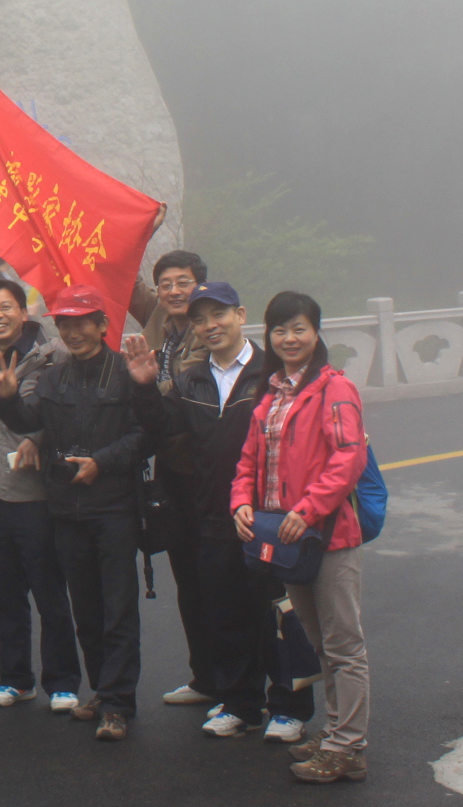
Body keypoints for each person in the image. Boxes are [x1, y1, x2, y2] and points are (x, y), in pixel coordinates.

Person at [130, 282, 313, 741]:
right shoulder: (191, 379)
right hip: (212, 514)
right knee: (225, 615)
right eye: (199, 319)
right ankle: (239, 703)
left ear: (240, 315)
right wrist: (147, 390)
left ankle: (288, 707)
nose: (210, 326)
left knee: (276, 613)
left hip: (269, 518)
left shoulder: (273, 372)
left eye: (219, 315)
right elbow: (165, 430)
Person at [0, 284, 159, 742]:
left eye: (82, 322)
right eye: (64, 323)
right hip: (66, 510)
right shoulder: (53, 376)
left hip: (114, 509)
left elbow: (147, 435)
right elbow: (32, 423)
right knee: (85, 609)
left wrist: (101, 462)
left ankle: (119, 704)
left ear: (103, 326)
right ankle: (103, 691)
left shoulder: (125, 374)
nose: (73, 331)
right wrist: (7, 399)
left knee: (118, 610)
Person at [232, 291, 370, 784]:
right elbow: (248, 460)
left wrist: (308, 510)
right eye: (280, 330)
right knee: (317, 642)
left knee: (343, 645)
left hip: (328, 537)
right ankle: (338, 736)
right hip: (287, 541)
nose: (289, 338)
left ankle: (347, 743)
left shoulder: (335, 389)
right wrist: (240, 503)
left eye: (300, 329)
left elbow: (347, 457)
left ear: (317, 333)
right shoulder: (270, 394)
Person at [0, 277, 81, 712]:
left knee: (48, 590)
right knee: (3, 593)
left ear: (23, 312)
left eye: (6, 307)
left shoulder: (54, 357)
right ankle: (15, 678)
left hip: (34, 491)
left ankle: (64, 680)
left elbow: (70, 415)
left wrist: (40, 438)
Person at [128, 248, 216, 707]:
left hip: (209, 473)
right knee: (187, 578)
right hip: (173, 471)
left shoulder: (208, 329)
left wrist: (132, 390)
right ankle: (206, 677)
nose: (174, 292)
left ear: (200, 285)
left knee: (217, 578)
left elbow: (181, 388)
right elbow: (127, 284)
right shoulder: (163, 318)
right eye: (166, 285)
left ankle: (237, 682)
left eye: (183, 282)